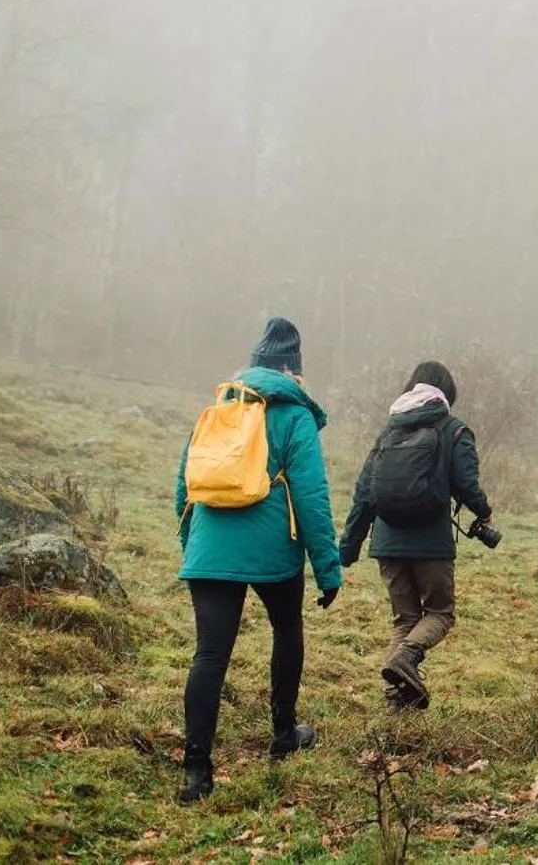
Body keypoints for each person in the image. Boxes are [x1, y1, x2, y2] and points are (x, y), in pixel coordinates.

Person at [173, 316, 342, 804]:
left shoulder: (219, 407)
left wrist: (192, 544)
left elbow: (185, 483)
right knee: (286, 627)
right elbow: (311, 496)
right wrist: (328, 570)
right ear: (292, 371)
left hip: (209, 549)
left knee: (209, 655)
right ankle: (284, 734)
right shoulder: (295, 415)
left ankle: (197, 771)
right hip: (273, 553)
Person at [337, 359, 492, 711]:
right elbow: (467, 484)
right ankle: (405, 659)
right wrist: (484, 512)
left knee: (405, 619)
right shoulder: (454, 429)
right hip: (430, 544)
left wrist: (349, 546)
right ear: (448, 393)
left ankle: (397, 700)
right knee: (440, 614)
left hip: (387, 543)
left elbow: (364, 492)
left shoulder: (389, 430)